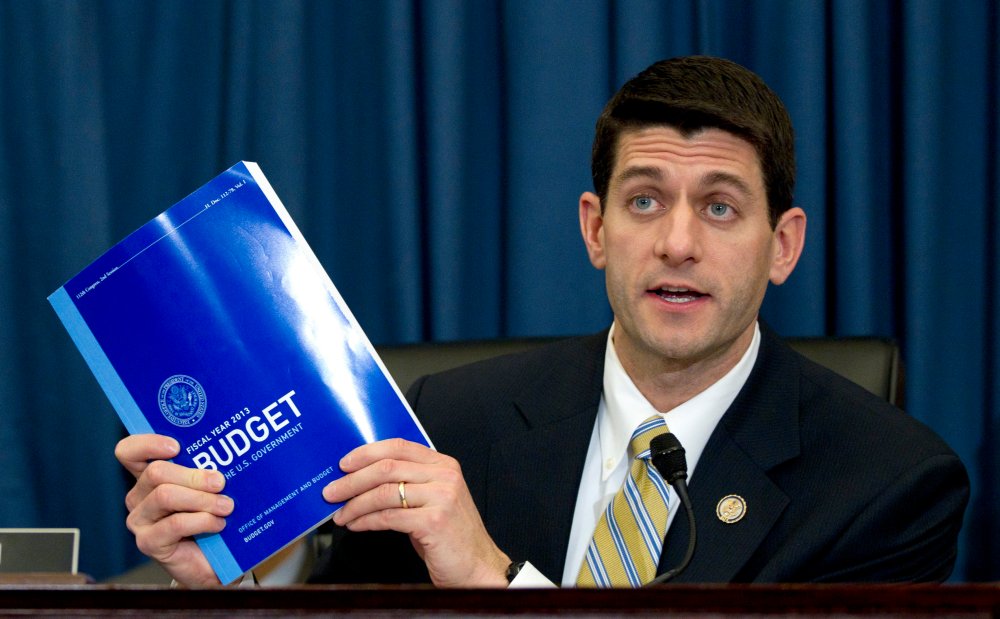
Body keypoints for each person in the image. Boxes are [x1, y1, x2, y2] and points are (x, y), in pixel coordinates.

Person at [116, 56, 969, 588]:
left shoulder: (888, 484)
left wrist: (491, 577)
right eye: (645, 201)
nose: (677, 243)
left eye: (718, 207)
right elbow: (343, 595)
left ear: (782, 245)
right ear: (596, 229)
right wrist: (238, 570)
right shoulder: (451, 423)